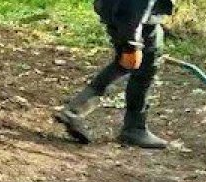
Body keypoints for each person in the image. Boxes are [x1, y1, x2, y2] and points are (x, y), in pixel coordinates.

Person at [54, 0, 174, 149]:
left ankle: (76, 110)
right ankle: (134, 128)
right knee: (139, 66)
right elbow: (133, 6)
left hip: (120, 12)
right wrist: (132, 44)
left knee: (126, 64)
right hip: (129, 18)